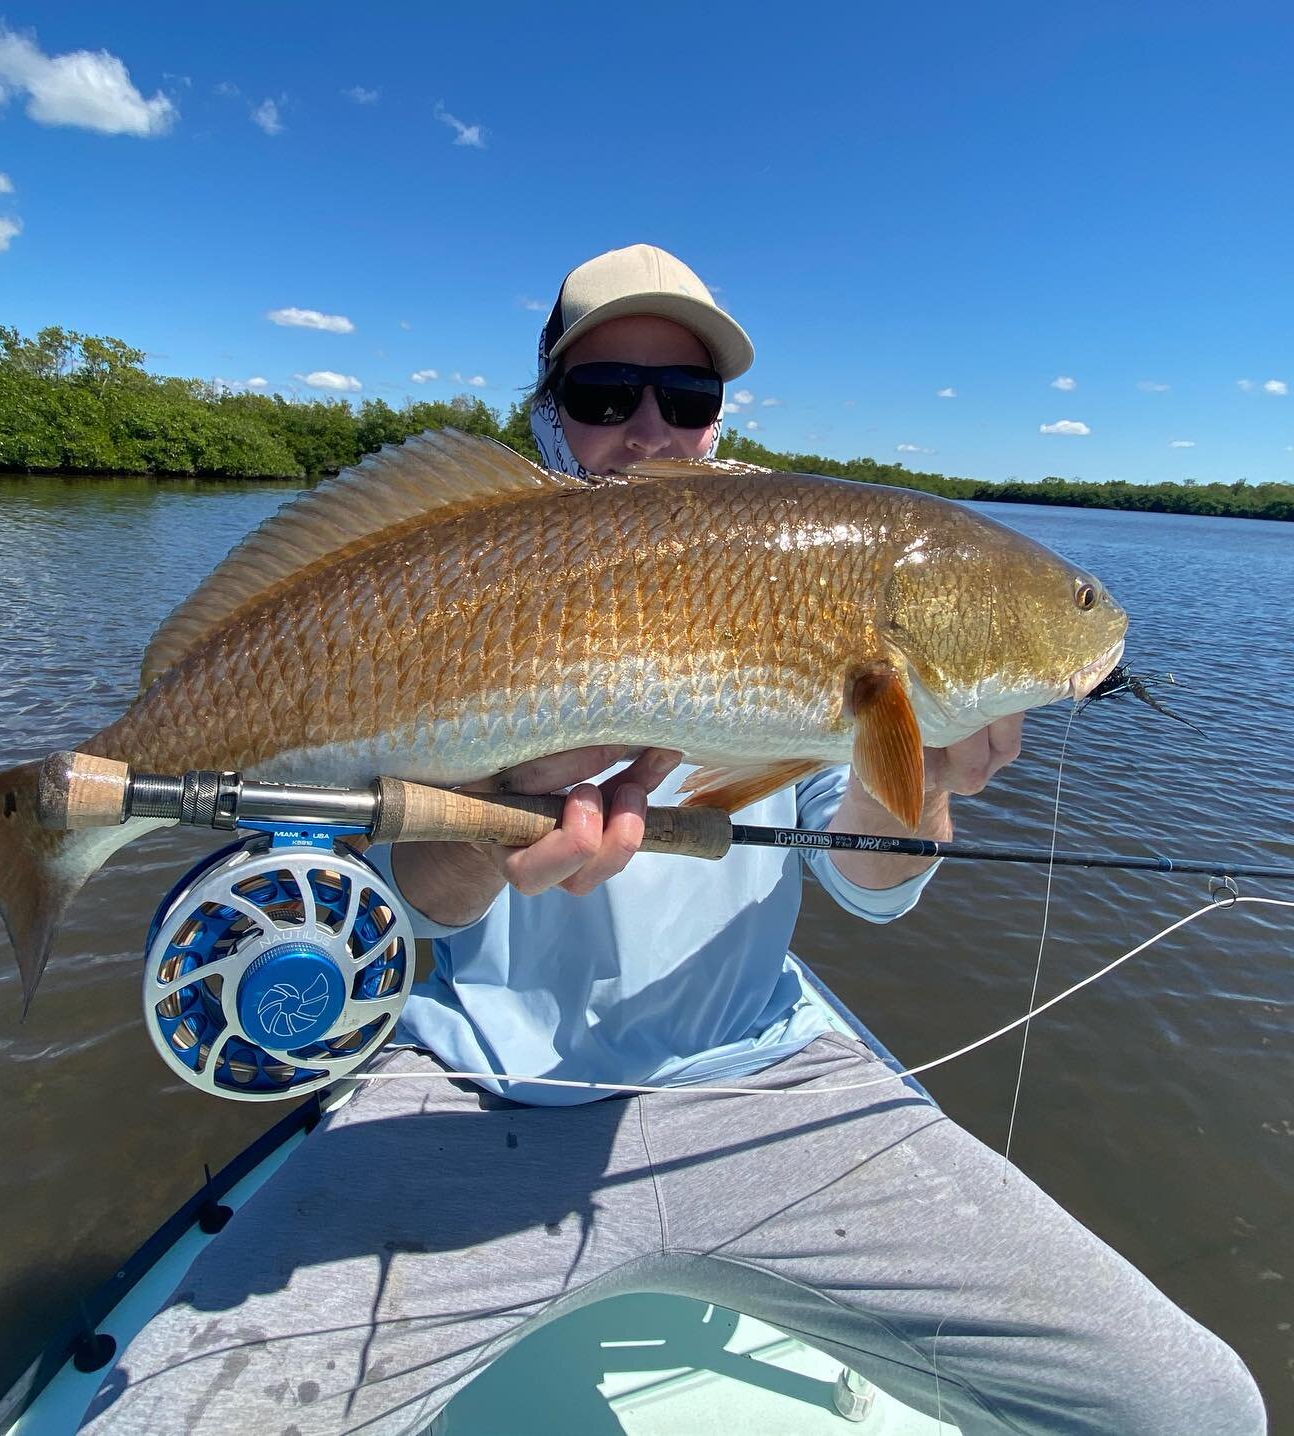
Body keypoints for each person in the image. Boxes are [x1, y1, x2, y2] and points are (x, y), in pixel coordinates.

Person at [82, 245, 1265, 1434]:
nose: (649, 427)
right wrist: (495, 824)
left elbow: (874, 887)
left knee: (1196, 1403)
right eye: (605, 395)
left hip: (766, 1081)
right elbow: (421, 904)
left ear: (716, 420)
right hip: (476, 1087)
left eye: (687, 398)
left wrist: (926, 775)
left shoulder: (814, 568)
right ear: (547, 413)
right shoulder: (471, 557)